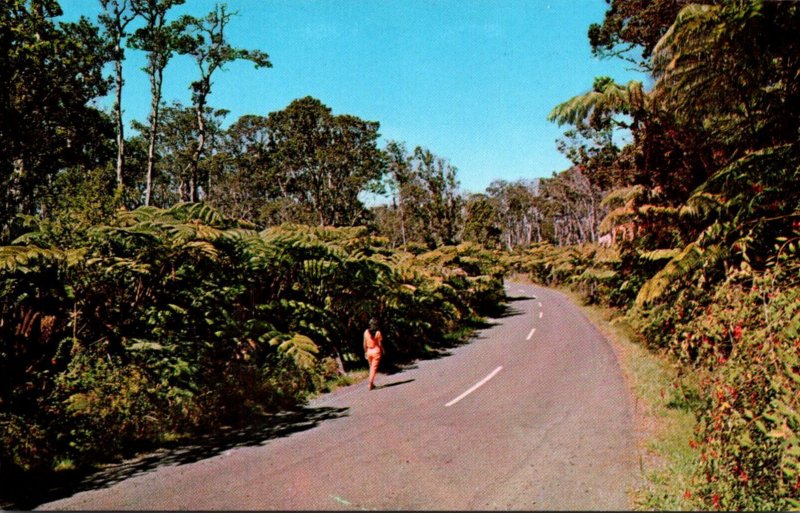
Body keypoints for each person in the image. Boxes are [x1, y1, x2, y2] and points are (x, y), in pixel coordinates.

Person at [363, 318, 384, 390]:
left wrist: (365, 351)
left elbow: (364, 344)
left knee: (371, 367)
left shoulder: (366, 332)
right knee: (373, 368)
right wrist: (383, 350)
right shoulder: (378, 333)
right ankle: (370, 383)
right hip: (376, 351)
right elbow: (380, 344)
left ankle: (371, 384)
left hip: (369, 351)